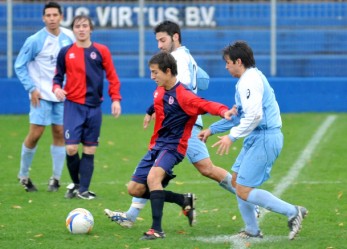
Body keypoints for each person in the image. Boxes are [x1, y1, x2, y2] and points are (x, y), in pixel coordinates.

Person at [104, 20, 255, 229]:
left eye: (162, 40)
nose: (159, 45)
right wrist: (152, 110)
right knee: (200, 169)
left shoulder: (177, 59)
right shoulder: (188, 56)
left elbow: (176, 90)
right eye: (157, 40)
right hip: (185, 122)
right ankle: (136, 214)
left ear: (175, 37)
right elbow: (204, 81)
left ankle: (250, 201)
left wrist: (160, 109)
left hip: (183, 124)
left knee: (176, 172)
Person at [115, 51, 236, 240]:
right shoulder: (160, 90)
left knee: (153, 178)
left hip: (173, 147)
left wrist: (223, 111)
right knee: (134, 189)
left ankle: (157, 230)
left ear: (168, 71)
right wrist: (149, 112)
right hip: (156, 146)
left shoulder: (184, 95)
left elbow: (205, 104)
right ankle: (182, 199)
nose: (152, 76)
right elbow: (158, 103)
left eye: (155, 72)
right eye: (151, 72)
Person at [198, 41, 308, 240]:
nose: (226, 66)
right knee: (236, 180)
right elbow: (241, 116)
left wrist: (231, 137)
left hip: (265, 137)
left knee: (244, 189)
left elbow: (254, 116)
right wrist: (212, 129)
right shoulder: (247, 79)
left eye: (228, 62)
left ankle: (293, 211)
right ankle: (252, 230)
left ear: (238, 61)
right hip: (258, 136)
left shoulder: (250, 81)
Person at [53, 15, 122, 200]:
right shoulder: (65, 52)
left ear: (91, 29)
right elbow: (57, 77)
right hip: (73, 106)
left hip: (94, 107)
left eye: (85, 26)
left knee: (90, 149)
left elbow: (112, 77)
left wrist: (115, 99)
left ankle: (83, 190)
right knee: (71, 149)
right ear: (73, 30)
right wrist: (57, 89)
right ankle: (77, 184)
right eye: (78, 26)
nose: (81, 29)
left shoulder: (101, 51)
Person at [14, 2, 75, 192]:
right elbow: (19, 65)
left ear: (61, 17)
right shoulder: (35, 40)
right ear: (43, 18)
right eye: (48, 15)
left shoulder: (69, 37)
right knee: (36, 134)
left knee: (59, 133)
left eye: (55, 15)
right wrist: (32, 88)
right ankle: (23, 175)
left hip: (62, 95)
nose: (51, 18)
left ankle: (55, 179)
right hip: (40, 95)